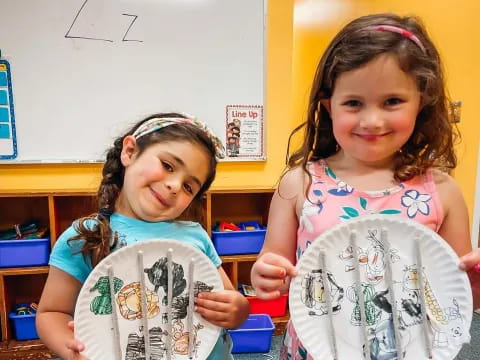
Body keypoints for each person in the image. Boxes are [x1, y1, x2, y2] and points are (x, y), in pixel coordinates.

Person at [250, 13, 480, 359]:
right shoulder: (299, 183)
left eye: (392, 102)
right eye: (353, 103)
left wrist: (475, 285)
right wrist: (266, 275)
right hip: (316, 347)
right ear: (329, 107)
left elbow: (456, 293)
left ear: (422, 101)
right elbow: (273, 266)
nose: (372, 120)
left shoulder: (441, 191)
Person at [36, 112, 250, 360]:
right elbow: (51, 313)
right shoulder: (86, 235)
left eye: (188, 187)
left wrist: (238, 309)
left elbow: (228, 296)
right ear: (129, 152)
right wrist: (70, 346)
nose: (174, 186)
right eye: (168, 165)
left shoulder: (195, 236)